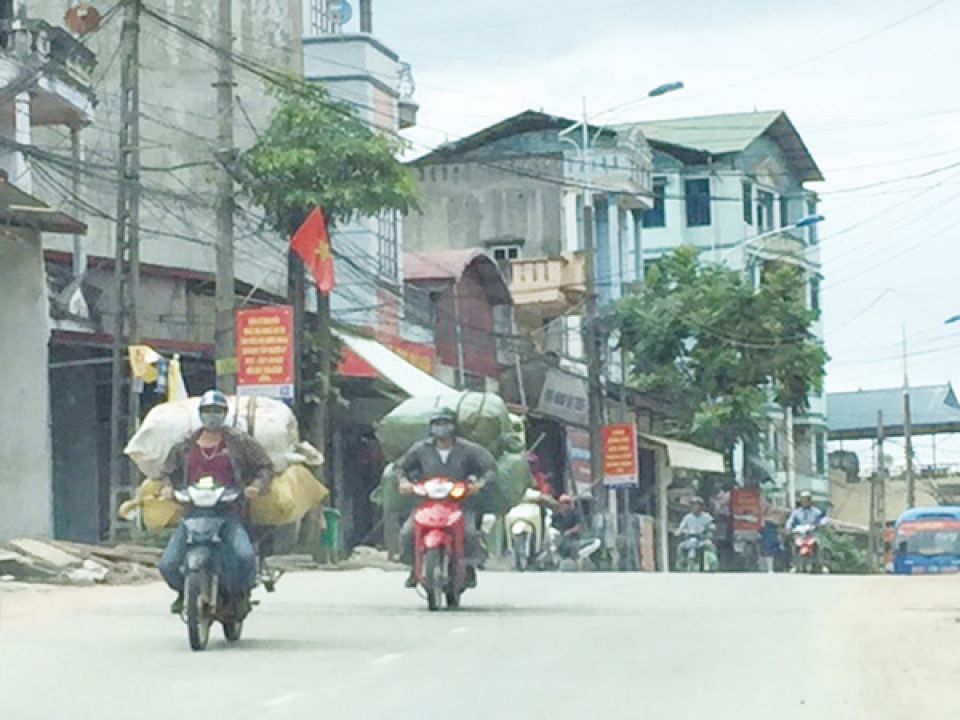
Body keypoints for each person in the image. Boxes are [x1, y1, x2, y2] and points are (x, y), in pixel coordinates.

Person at [156, 390, 273, 614]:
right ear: (200, 414)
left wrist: (255, 487)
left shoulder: (239, 442)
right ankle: (185, 593)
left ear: (225, 414)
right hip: (192, 513)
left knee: (245, 556)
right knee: (167, 564)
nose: (212, 416)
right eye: (208, 411)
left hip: (228, 513)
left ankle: (240, 596)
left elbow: (264, 466)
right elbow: (167, 471)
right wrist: (168, 487)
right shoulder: (186, 444)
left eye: (217, 411)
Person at [396, 408, 497, 588]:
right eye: (437, 424)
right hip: (427, 502)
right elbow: (400, 467)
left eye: (445, 423)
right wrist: (404, 482)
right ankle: (415, 567)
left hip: (459, 503)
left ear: (454, 426)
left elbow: (489, 468)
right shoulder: (421, 449)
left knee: (470, 533)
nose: (441, 428)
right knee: (407, 533)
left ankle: (469, 567)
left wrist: (479, 485)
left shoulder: (468, 449)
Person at [676, 497, 716, 568]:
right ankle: (681, 562)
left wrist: (710, 528)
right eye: (693, 505)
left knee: (710, 546)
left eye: (697, 505)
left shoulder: (707, 516)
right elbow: (681, 527)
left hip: (703, 539)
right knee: (680, 546)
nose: (695, 507)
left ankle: (712, 563)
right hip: (690, 539)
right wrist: (679, 531)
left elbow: (712, 525)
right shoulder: (687, 517)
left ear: (701, 507)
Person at [551, 494, 587, 558]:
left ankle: (578, 565)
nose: (561, 505)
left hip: (572, 538)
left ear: (568, 504)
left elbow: (578, 526)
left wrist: (570, 531)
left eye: (563, 503)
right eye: (560, 503)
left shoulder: (574, 513)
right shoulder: (557, 515)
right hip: (559, 538)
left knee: (573, 549)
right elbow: (552, 525)